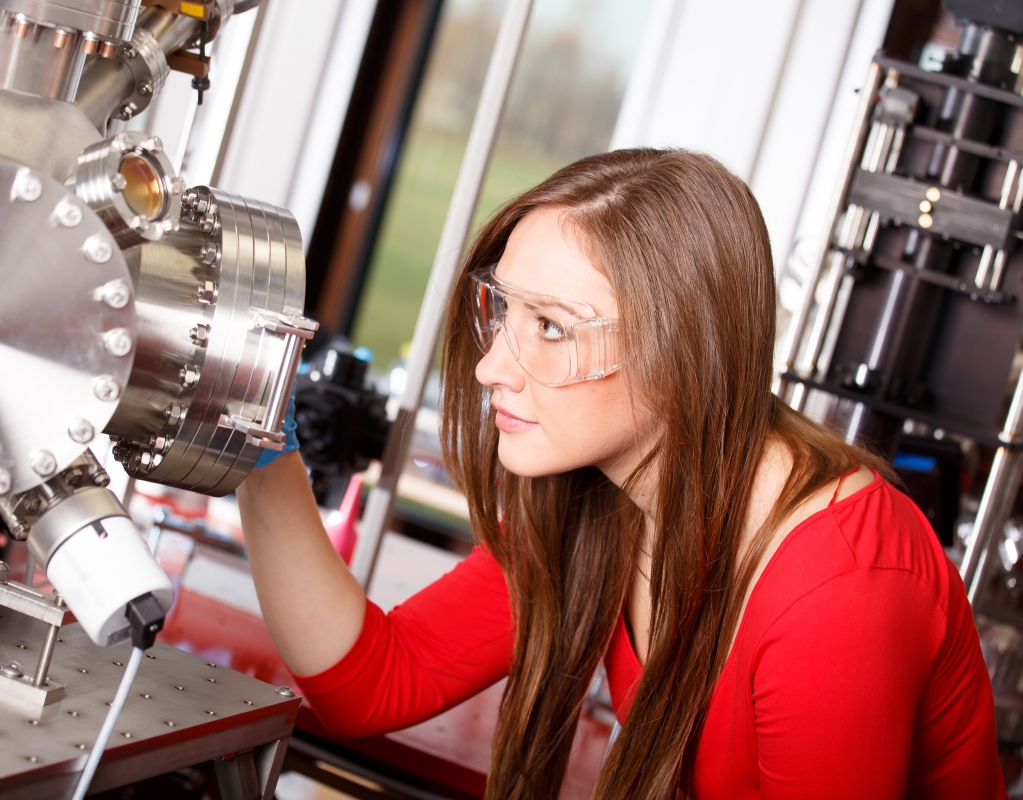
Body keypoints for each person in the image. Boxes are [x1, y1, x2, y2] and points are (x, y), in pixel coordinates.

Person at [236, 149, 1003, 800]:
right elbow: (374, 680)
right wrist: (253, 445)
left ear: (680, 353)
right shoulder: (610, 498)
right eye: (502, 313)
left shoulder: (839, 588)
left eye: (550, 328)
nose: (491, 366)